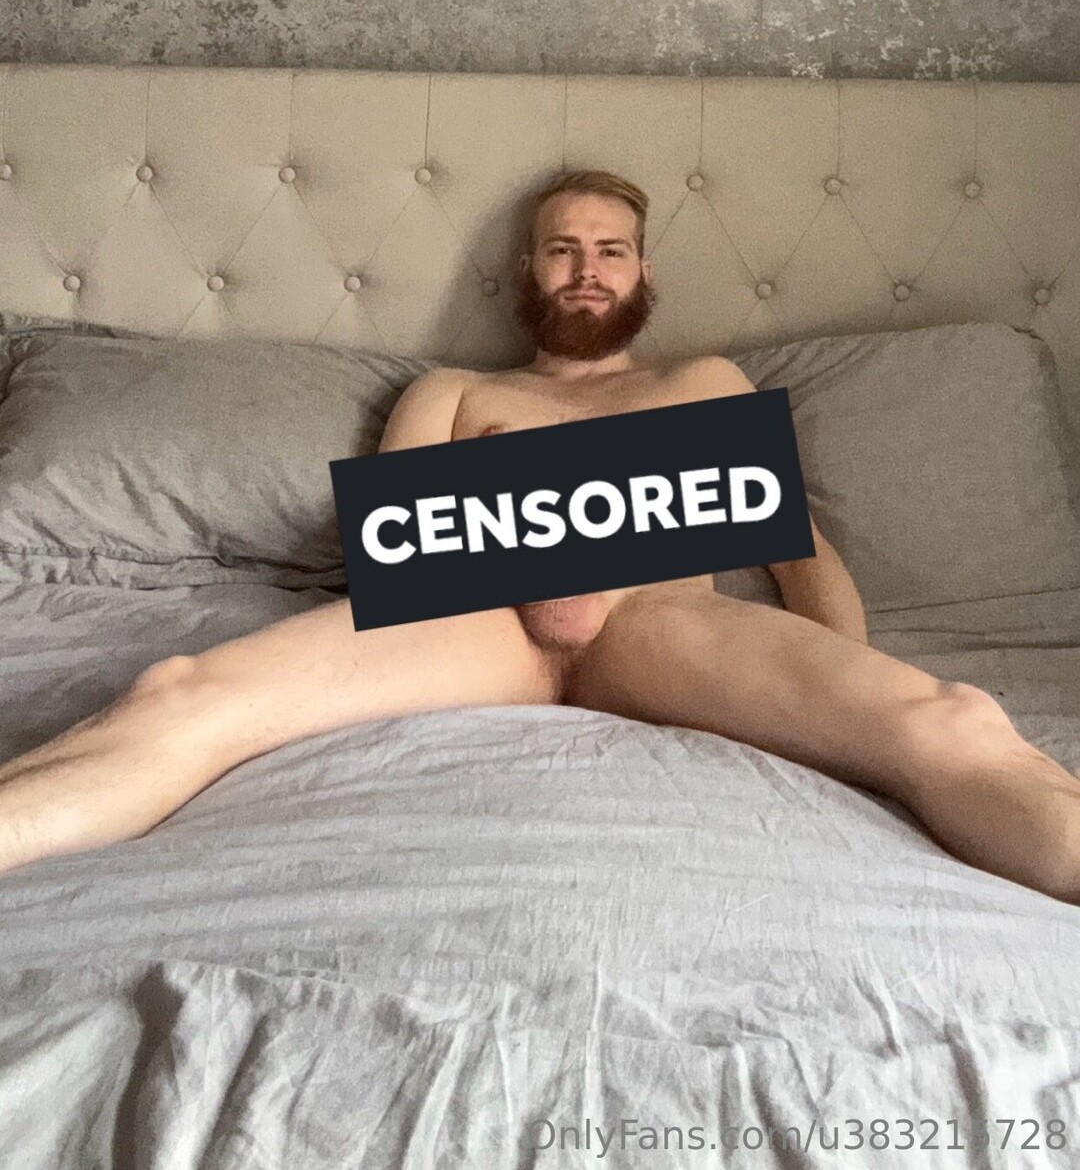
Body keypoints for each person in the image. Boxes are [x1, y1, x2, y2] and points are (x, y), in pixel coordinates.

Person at [1, 169, 1078, 905]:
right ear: (528, 272)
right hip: (477, 621)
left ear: (644, 272)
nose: (586, 268)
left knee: (951, 720)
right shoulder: (454, 391)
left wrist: (853, 684)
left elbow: (798, 551)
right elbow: (397, 549)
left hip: (658, 621)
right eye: (562, 249)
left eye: (612, 249)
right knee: (179, 691)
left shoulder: (704, 383)